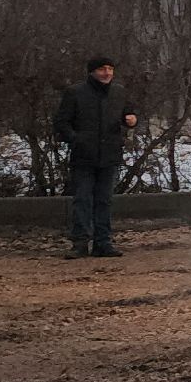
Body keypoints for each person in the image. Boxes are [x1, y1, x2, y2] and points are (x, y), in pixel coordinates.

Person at [52, 56, 138, 259]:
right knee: (82, 199)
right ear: (92, 72)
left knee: (105, 200)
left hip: (110, 155)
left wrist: (132, 120)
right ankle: (80, 243)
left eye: (110, 68)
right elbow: (61, 122)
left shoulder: (119, 92)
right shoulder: (75, 93)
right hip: (84, 156)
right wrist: (76, 140)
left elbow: (128, 114)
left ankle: (103, 242)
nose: (107, 73)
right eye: (102, 69)